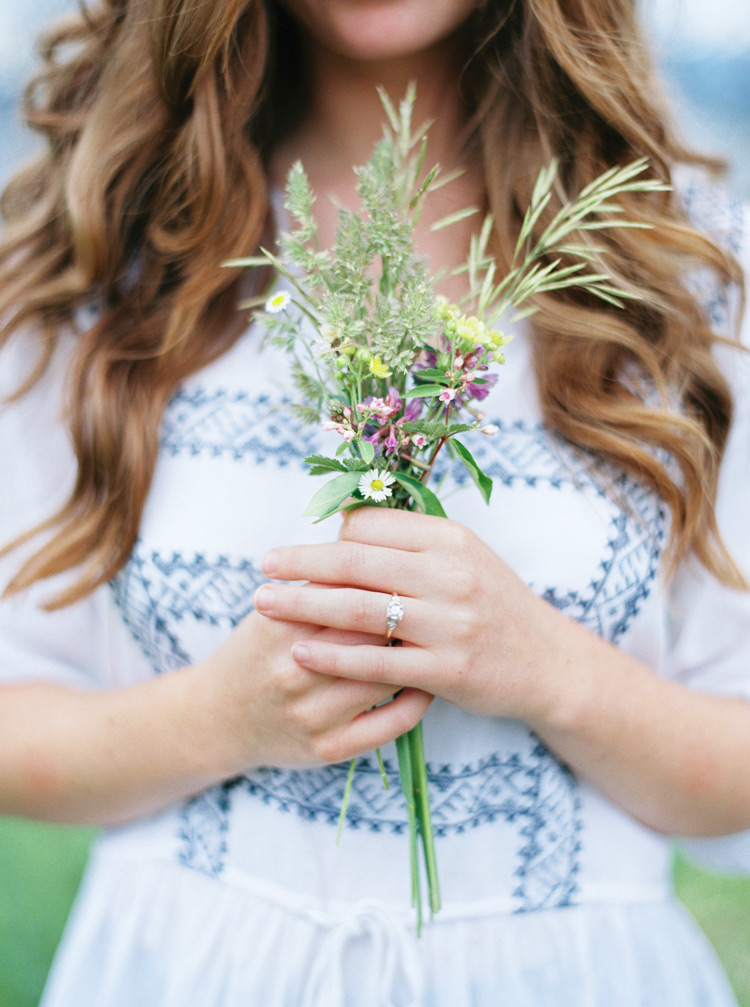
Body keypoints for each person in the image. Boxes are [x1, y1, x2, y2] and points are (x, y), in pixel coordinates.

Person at [1, 0, 749, 1004]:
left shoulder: (686, 277)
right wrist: (219, 720)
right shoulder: (108, 254)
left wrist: (547, 669)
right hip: (187, 971)